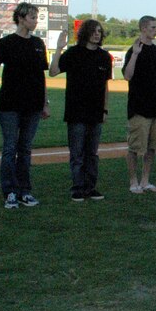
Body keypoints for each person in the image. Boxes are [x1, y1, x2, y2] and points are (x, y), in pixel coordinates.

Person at [0, 2, 50, 210]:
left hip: (33, 105)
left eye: (36, 17)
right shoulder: (6, 43)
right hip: (10, 104)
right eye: (32, 17)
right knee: (10, 148)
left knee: (25, 150)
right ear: (21, 18)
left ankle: (24, 191)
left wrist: (44, 103)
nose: (35, 21)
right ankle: (10, 192)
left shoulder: (38, 43)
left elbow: (41, 76)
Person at [49, 20, 111, 201]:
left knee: (92, 153)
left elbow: (105, 86)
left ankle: (90, 187)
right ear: (85, 33)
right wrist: (59, 49)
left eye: (99, 31)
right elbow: (53, 72)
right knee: (77, 154)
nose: (97, 34)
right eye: (93, 31)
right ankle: (77, 188)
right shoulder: (74, 53)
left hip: (96, 112)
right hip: (76, 111)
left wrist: (105, 110)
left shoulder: (104, 57)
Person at [122, 16, 156, 194]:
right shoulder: (134, 50)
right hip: (139, 107)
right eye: (152, 27)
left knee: (152, 147)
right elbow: (127, 76)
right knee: (135, 148)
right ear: (143, 28)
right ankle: (133, 181)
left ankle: (145, 181)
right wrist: (135, 54)